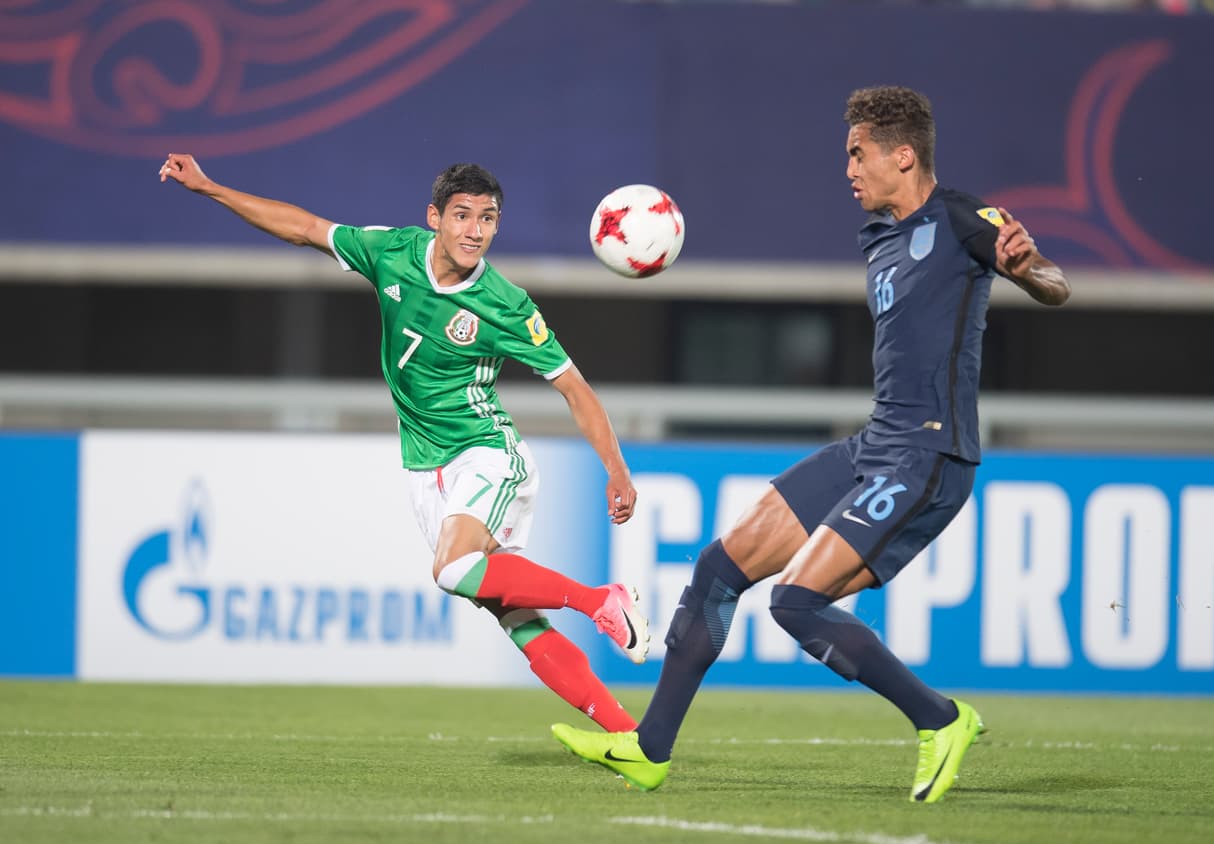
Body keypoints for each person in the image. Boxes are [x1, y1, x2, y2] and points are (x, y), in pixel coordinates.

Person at [551, 85, 1071, 802]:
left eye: (859, 155)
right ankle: (649, 748)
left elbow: (1052, 282)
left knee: (795, 600)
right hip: (874, 446)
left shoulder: (960, 217)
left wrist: (1027, 265)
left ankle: (941, 719)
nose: (849, 169)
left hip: (930, 454)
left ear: (904, 155)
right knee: (718, 568)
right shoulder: (882, 237)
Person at [159, 155, 650, 731]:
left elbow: (576, 389)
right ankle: (630, 738)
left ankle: (601, 601)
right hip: (426, 467)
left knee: (453, 569)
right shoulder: (392, 251)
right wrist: (211, 188)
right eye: (462, 216)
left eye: (487, 219)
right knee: (517, 621)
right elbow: (305, 228)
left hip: (486, 453)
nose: (475, 230)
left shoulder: (507, 306)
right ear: (434, 218)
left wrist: (617, 471)